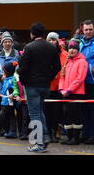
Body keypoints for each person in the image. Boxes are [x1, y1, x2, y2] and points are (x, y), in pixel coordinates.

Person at [18, 23, 61, 153]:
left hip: (32, 86)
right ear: (43, 33)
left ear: (32, 34)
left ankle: (40, 143)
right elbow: (57, 67)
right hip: (45, 85)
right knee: (40, 112)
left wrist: (23, 80)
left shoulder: (29, 47)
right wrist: (48, 77)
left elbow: (23, 68)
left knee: (35, 114)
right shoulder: (52, 47)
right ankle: (45, 137)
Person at [59, 39, 88, 145]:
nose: (71, 50)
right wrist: (62, 89)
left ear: (78, 50)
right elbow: (62, 76)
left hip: (76, 93)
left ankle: (75, 138)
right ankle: (69, 137)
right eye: (70, 48)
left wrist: (69, 89)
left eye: (74, 48)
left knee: (76, 115)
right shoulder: (67, 61)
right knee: (67, 114)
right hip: (66, 93)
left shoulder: (82, 61)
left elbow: (80, 78)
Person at [45, 32, 68, 143]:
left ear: (58, 41)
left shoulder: (65, 54)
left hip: (60, 87)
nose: (52, 42)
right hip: (47, 87)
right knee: (47, 111)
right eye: (49, 40)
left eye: (54, 40)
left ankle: (56, 131)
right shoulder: (43, 53)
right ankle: (49, 133)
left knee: (57, 112)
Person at [0, 61, 19, 138]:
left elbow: (15, 89)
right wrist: (0, 93)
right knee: (4, 116)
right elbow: (4, 89)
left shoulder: (12, 79)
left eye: (4, 71)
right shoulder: (6, 79)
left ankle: (12, 131)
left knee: (8, 116)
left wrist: (12, 94)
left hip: (9, 102)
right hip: (4, 101)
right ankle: (7, 130)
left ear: (7, 72)